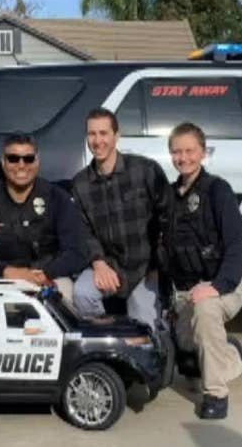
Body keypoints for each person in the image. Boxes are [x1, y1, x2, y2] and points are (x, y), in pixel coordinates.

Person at [162, 122, 242, 420]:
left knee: (205, 313)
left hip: (224, 285)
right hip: (184, 291)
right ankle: (234, 356)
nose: (184, 158)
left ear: (203, 152)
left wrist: (216, 286)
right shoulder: (169, 197)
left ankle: (216, 394)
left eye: (190, 151)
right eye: (177, 152)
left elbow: (237, 248)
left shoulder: (218, 190)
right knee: (188, 362)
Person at [71, 108, 170, 329]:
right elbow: (83, 230)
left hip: (146, 267)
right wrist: (98, 263)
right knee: (82, 293)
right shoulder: (80, 183)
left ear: (117, 136)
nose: (98, 141)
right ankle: (110, 342)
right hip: (110, 265)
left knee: (146, 328)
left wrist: (158, 264)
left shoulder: (145, 170)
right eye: (92, 134)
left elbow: (168, 216)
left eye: (104, 133)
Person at [0, 133, 91, 302]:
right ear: (3, 162)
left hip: (50, 277)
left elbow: (78, 252)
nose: (21, 165)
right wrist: (5, 271)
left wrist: (47, 273)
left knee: (64, 298)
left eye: (28, 159)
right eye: (13, 159)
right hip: (0, 280)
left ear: (37, 162)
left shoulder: (57, 198)